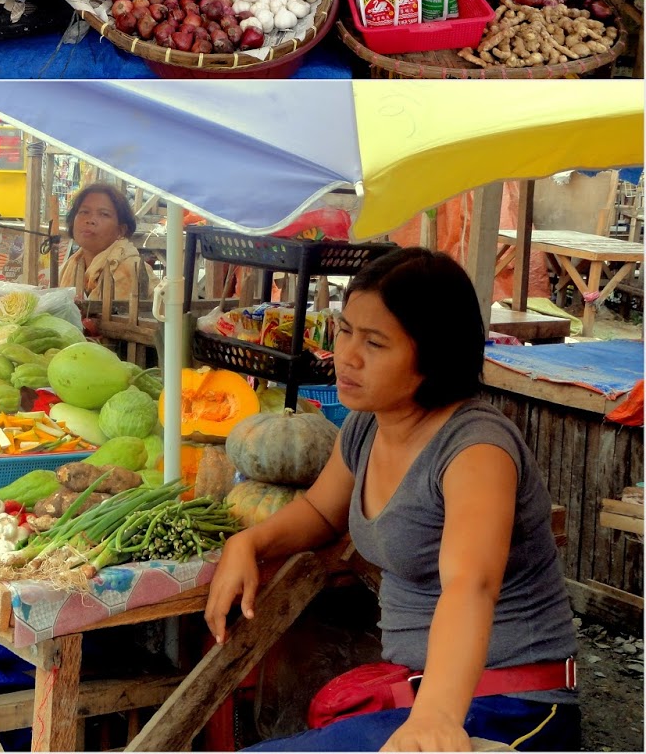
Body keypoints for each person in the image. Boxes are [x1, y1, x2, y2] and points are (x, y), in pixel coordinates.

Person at [206, 248, 579, 753]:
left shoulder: (477, 450)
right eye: (345, 331)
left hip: (509, 704)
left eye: (376, 343)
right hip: (419, 690)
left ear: (433, 355)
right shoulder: (367, 424)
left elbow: (471, 586)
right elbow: (320, 511)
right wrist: (249, 542)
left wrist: (436, 718)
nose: (348, 355)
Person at [60, 184, 142, 336]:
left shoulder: (128, 267)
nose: (90, 220)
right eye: (84, 212)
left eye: (104, 214)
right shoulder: (73, 263)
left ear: (121, 230)